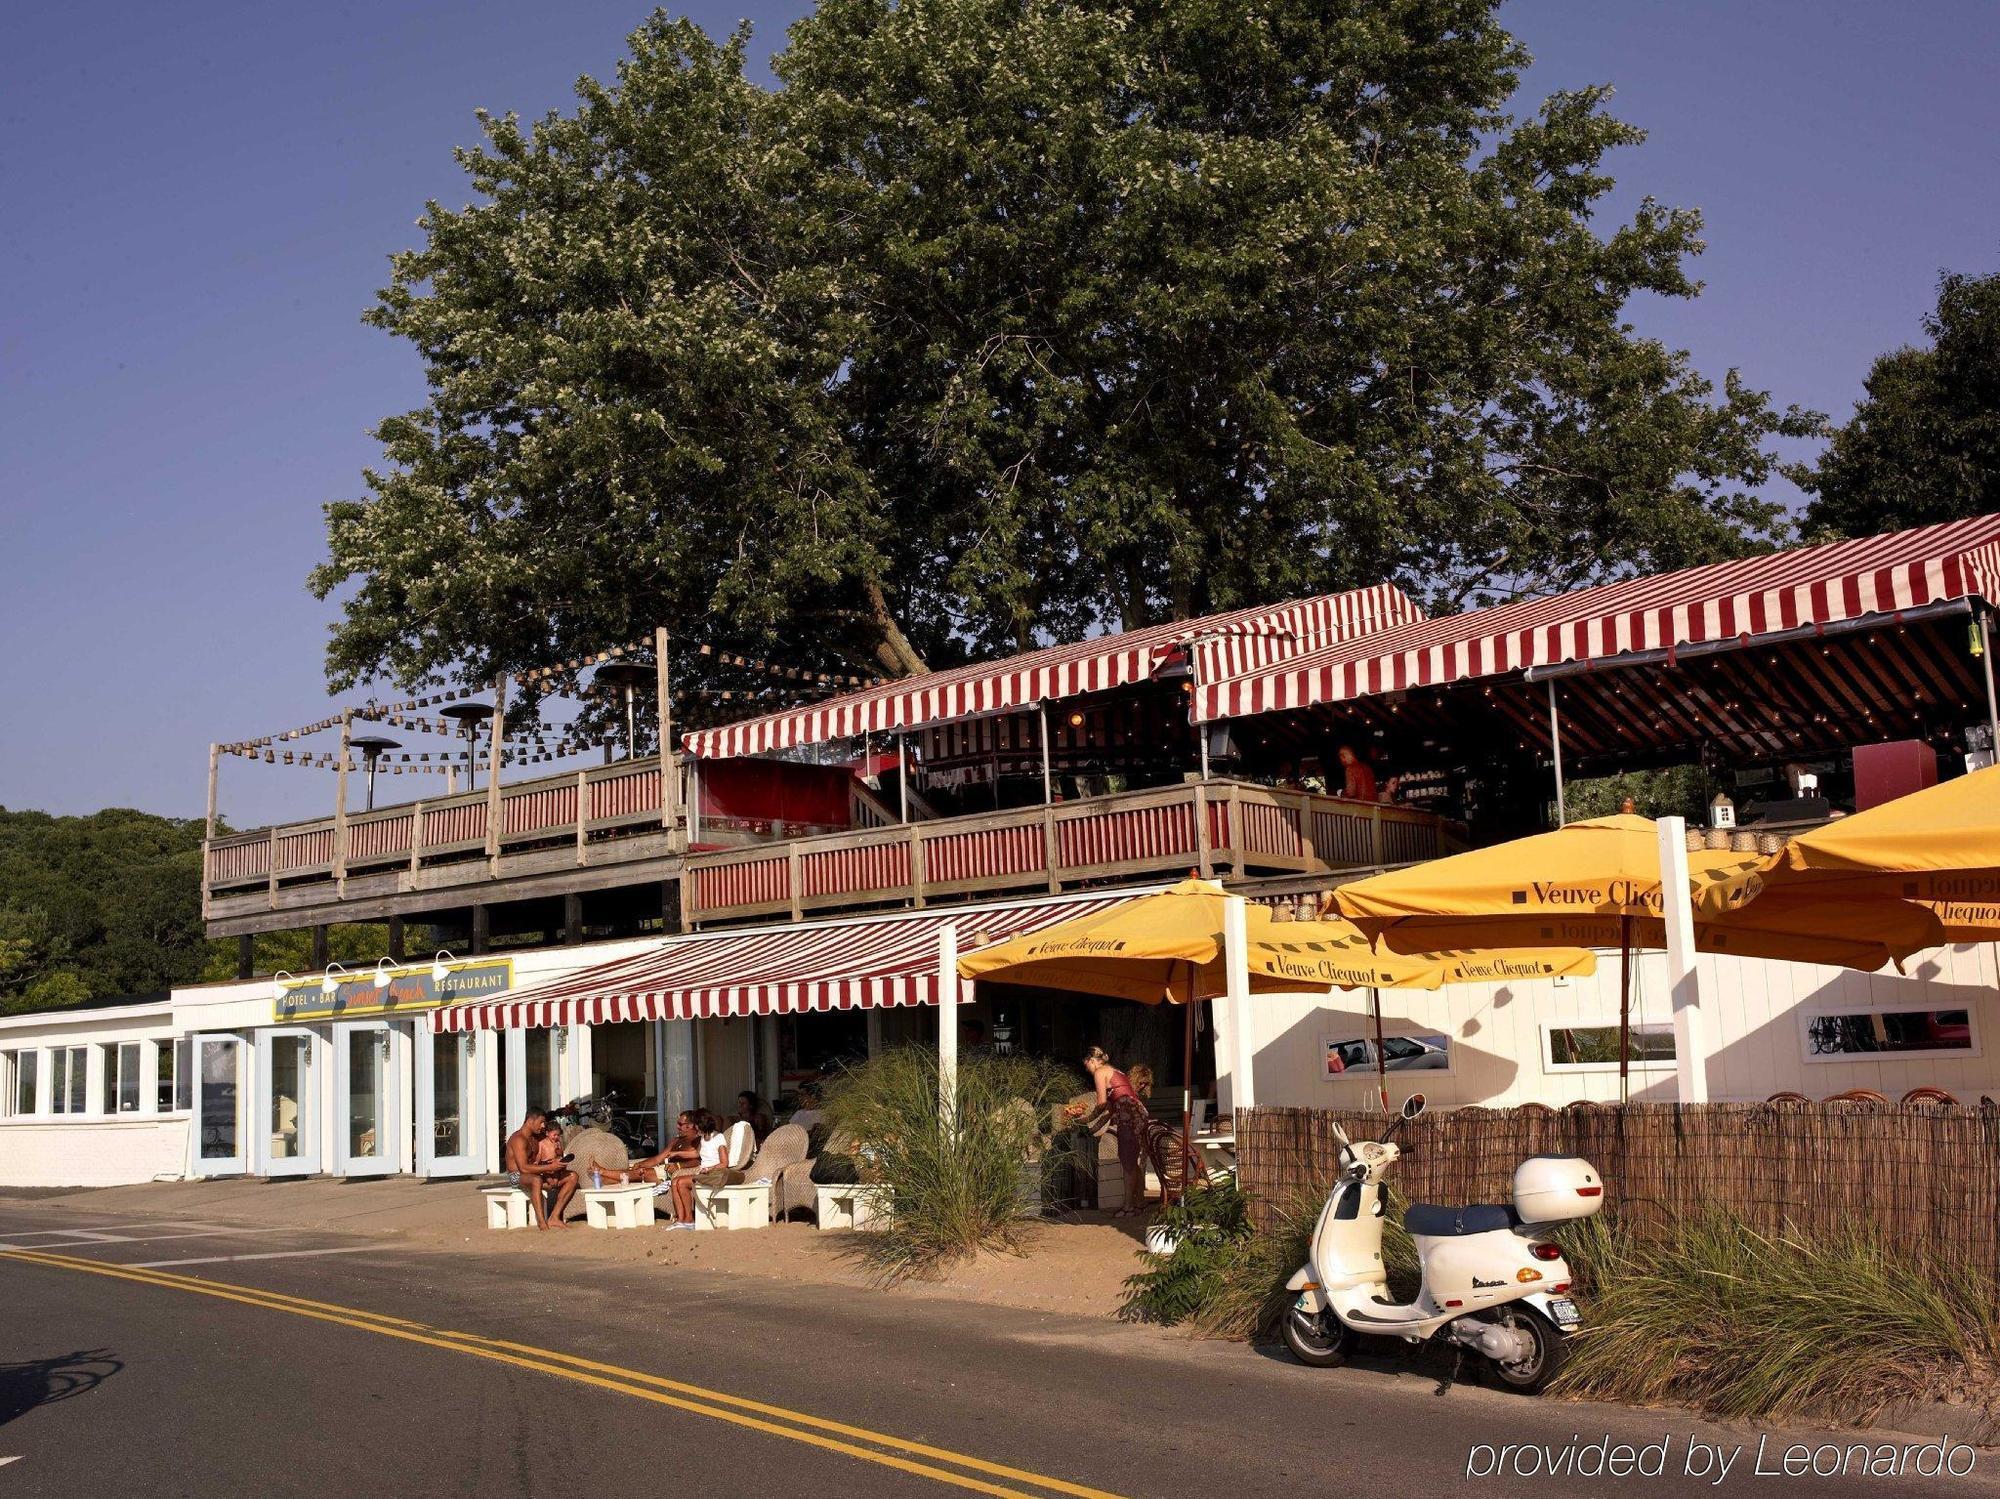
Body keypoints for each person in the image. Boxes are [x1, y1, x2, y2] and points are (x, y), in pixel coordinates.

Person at [1081, 1046, 1152, 1218]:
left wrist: (1086, 1117)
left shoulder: (1100, 1071)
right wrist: (1093, 1127)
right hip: (1138, 1115)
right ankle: (1140, 1202)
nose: (1088, 1070)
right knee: (1133, 1162)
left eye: (1087, 1066)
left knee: (1127, 1163)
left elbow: (1101, 1103)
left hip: (1129, 1118)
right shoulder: (1115, 1071)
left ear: (1092, 1061)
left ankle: (1128, 1207)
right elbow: (1111, 1108)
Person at [503, 1108, 576, 1229]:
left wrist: (555, 1159)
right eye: (541, 1122)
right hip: (516, 1176)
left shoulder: (536, 1137)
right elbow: (523, 1168)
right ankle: (542, 1223)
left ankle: (554, 1217)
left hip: (535, 1173)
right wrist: (549, 1166)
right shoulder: (518, 1139)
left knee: (573, 1176)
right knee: (536, 1180)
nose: (543, 1126)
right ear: (530, 1120)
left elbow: (544, 1157)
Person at [596, 1111, 700, 1185]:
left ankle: (603, 1172)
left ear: (690, 1125)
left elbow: (698, 1161)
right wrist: (641, 1164)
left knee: (640, 1172)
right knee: (630, 1171)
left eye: (680, 1124)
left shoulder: (697, 1141)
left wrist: (678, 1166)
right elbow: (657, 1159)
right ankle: (603, 1178)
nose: (677, 1127)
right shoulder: (676, 1140)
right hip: (663, 1170)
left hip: (671, 1174)